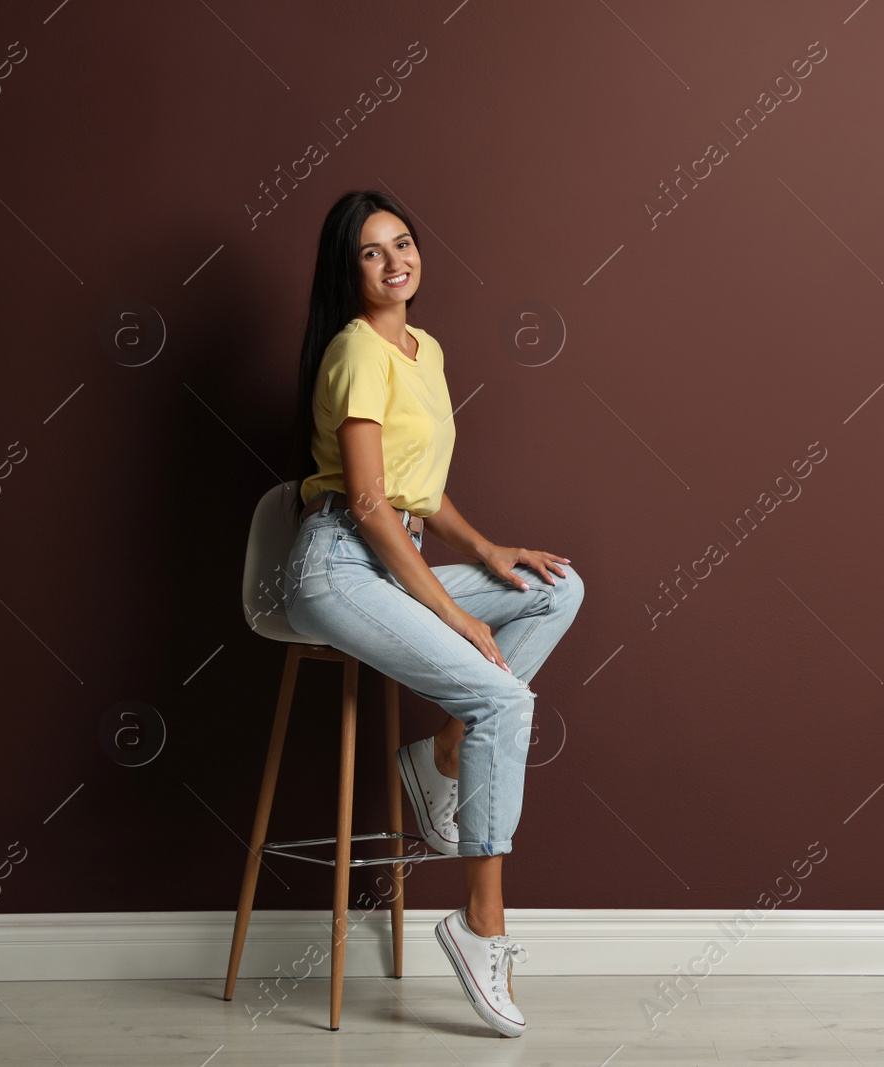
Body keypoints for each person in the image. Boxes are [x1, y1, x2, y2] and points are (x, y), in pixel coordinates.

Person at [282, 189, 583, 1038]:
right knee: (504, 696)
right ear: (351, 271)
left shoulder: (425, 349)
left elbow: (419, 487)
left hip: (391, 553)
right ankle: (481, 927)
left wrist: (487, 550)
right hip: (339, 565)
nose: (394, 261)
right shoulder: (354, 350)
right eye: (373, 252)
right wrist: (456, 614)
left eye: (403, 243)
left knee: (560, 586)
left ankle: (443, 753)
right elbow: (372, 504)